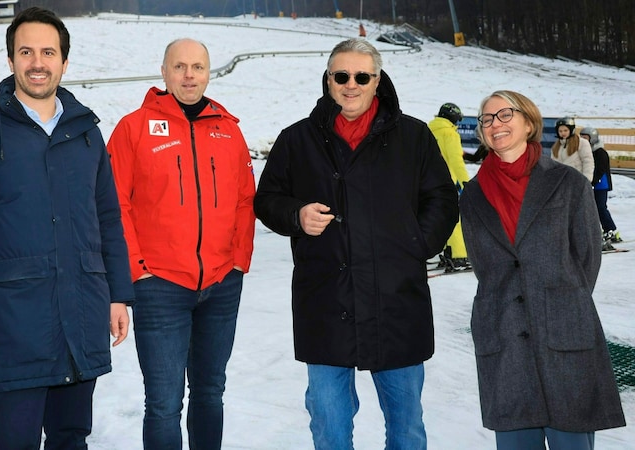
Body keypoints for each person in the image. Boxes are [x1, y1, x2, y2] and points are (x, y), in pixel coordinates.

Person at [0, 7, 134, 449]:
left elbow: (107, 219)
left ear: (64, 61)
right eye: (26, 52)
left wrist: (118, 294)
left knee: (71, 437)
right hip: (12, 326)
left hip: (81, 319)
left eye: (48, 52)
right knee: (14, 441)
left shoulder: (86, 133)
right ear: (10, 61)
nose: (37, 62)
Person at [253, 38, 458, 450]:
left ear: (377, 80)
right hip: (326, 301)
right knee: (329, 425)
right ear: (328, 80)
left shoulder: (414, 137)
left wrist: (415, 245)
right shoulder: (297, 139)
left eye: (362, 76)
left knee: (406, 426)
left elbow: (442, 198)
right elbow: (267, 199)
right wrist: (296, 215)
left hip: (395, 300)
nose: (351, 84)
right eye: (341, 76)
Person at [106, 38, 256, 449]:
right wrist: (137, 268)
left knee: (210, 393)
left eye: (198, 67)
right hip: (160, 286)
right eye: (180, 66)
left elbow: (246, 198)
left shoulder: (228, 130)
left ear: (209, 73)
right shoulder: (133, 129)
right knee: (164, 403)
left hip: (222, 284)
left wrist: (239, 260)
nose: (189, 75)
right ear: (164, 71)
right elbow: (114, 204)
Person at [460, 90, 626, 450]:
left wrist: (558, 303)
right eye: (486, 119)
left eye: (505, 115)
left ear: (529, 122)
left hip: (565, 335)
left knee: (572, 442)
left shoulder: (568, 184)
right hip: (503, 337)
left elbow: (587, 260)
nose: (494, 124)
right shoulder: (472, 196)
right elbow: (483, 265)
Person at [428, 102, 472, 270]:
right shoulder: (450, 134)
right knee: (454, 219)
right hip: (446, 182)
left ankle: (445, 252)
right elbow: (456, 160)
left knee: (439, 218)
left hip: (427, 183)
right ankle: (458, 256)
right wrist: (465, 181)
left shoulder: (427, 131)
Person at [581, 126, 622, 246]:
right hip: (591, 183)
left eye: (586, 137)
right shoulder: (584, 150)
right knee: (590, 209)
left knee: (600, 207)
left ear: (592, 138)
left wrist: (592, 181)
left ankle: (610, 229)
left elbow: (601, 169)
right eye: (582, 137)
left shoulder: (600, 152)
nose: (583, 139)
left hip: (600, 185)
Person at [551, 116, 594, 181]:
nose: (563, 133)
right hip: (561, 182)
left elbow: (588, 162)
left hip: (577, 181)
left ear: (571, 130)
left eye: (565, 130)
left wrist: (586, 180)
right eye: (560, 131)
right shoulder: (556, 146)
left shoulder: (582, 143)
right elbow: (553, 165)